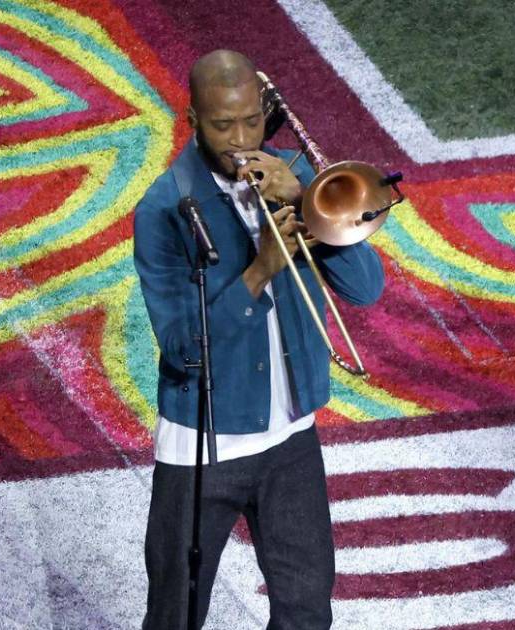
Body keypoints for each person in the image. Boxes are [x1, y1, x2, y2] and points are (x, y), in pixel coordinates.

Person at [133, 49, 385, 629]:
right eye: (223, 125)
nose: (242, 139)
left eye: (251, 121)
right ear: (194, 120)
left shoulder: (293, 176)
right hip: (203, 445)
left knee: (306, 612)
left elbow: (365, 289)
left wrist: (303, 199)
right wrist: (260, 270)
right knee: (175, 614)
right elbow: (182, 349)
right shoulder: (165, 208)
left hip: (291, 438)